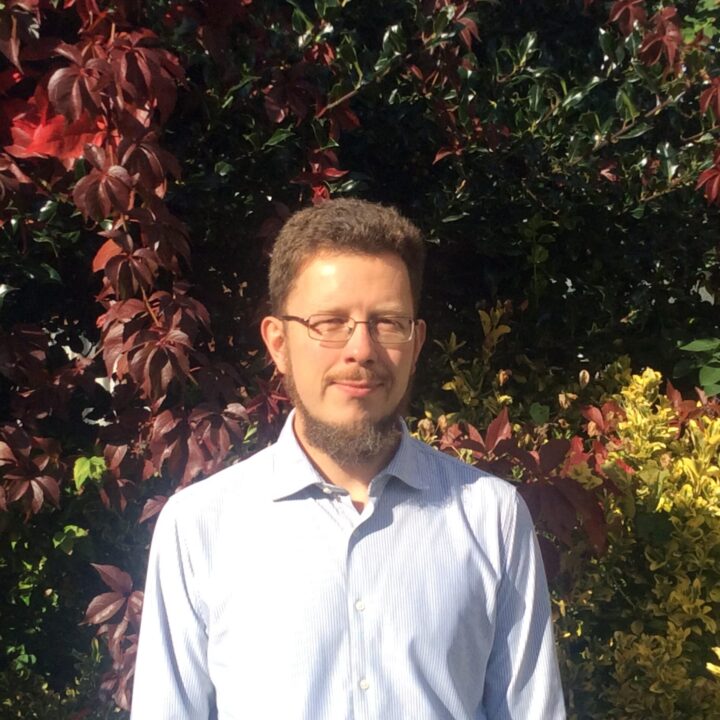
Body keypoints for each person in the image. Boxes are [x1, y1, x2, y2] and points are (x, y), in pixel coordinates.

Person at [130, 198, 566, 719]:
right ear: (278, 342)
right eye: (329, 322)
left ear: (417, 341)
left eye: (386, 322)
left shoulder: (491, 515)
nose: (361, 349)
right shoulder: (199, 527)